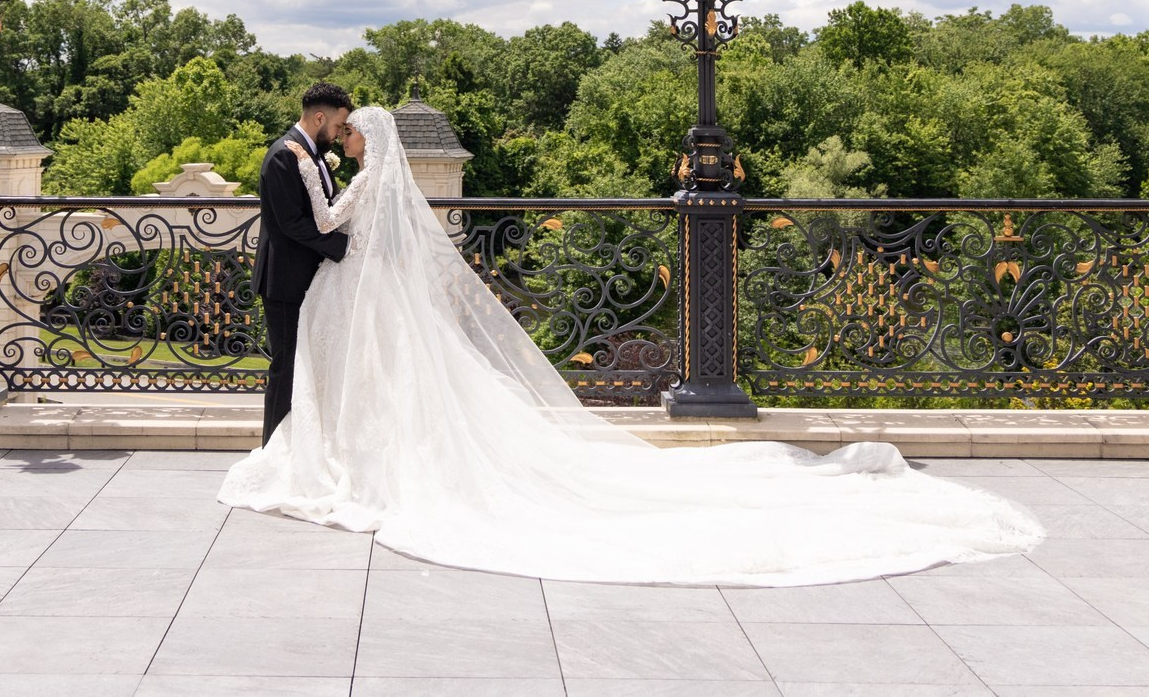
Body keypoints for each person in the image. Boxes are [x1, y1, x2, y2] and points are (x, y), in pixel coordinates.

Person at [221, 105, 1043, 586]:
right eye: (347, 135)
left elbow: (327, 225)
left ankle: (358, 463)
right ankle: (360, 454)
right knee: (397, 382)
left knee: (384, 380)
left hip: (356, 289)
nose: (349, 143)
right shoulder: (349, 171)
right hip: (363, 292)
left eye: (355, 137)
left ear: (366, 140)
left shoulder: (357, 178)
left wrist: (331, 224)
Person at [250, 81, 353, 441]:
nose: (340, 134)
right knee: (287, 367)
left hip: (310, 279)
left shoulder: (315, 155)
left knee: (307, 368)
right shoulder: (282, 155)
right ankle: (272, 451)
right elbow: (291, 223)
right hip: (285, 281)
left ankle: (298, 449)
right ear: (320, 117)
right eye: (339, 126)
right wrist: (343, 248)